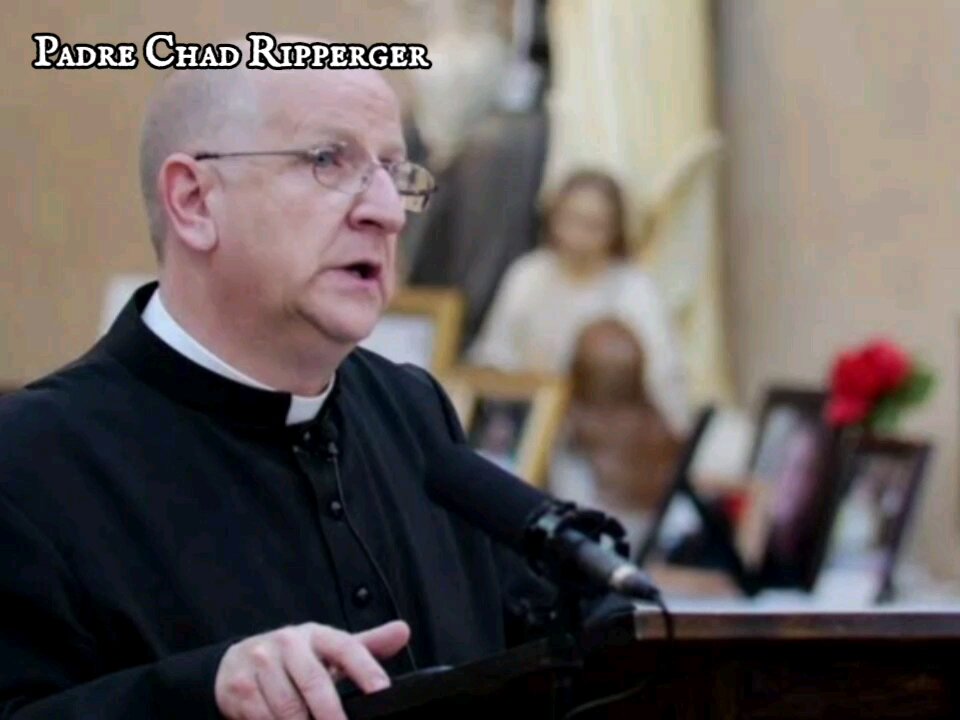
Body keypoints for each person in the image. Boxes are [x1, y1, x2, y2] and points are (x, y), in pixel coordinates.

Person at [0, 38, 555, 720]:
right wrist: (206, 693)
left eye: (392, 170)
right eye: (328, 160)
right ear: (195, 201)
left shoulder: (415, 415)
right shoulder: (28, 460)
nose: (385, 211)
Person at [467, 169, 690, 435]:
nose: (578, 236)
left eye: (593, 226)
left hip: (605, 434)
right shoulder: (528, 274)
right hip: (528, 425)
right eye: (570, 219)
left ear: (614, 230)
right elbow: (495, 354)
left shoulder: (634, 288)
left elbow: (662, 375)